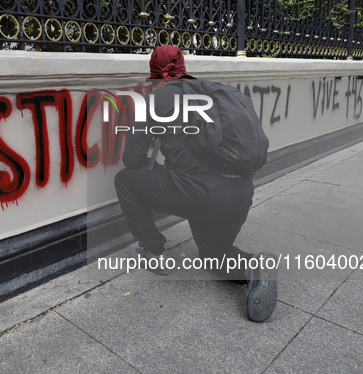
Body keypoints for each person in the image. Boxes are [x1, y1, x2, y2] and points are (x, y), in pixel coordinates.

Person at [114, 45, 278, 322]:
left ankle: (154, 251)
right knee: (213, 255)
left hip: (199, 194)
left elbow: (132, 159)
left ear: (154, 72)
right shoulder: (213, 91)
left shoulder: (156, 99)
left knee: (125, 181)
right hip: (240, 193)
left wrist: (165, 160)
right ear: (183, 66)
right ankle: (255, 268)